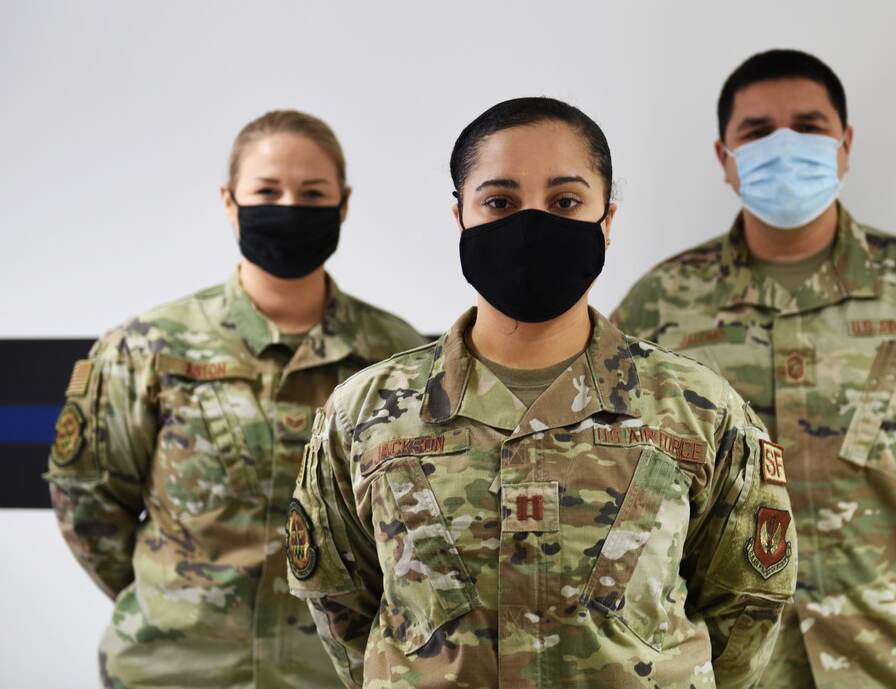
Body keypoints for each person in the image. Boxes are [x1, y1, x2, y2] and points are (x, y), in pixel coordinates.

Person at [287, 97, 796, 688]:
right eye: (500, 202)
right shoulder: (365, 415)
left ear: (606, 221)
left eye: (565, 202)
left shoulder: (700, 411)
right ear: (461, 220)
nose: (532, 225)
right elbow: (341, 605)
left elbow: (746, 609)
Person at [611, 49, 896, 687]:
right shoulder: (660, 305)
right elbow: (620, 476)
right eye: (758, 132)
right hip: (729, 671)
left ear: (844, 146)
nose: (784, 147)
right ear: (725, 157)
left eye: (810, 127)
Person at [46, 110, 427, 687]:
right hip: (176, 671)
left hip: (327, 676)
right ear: (230, 201)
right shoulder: (149, 347)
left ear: (343, 204)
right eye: (267, 191)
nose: (290, 207)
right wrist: (176, 600)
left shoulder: (396, 356)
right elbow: (89, 502)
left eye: (313, 192)